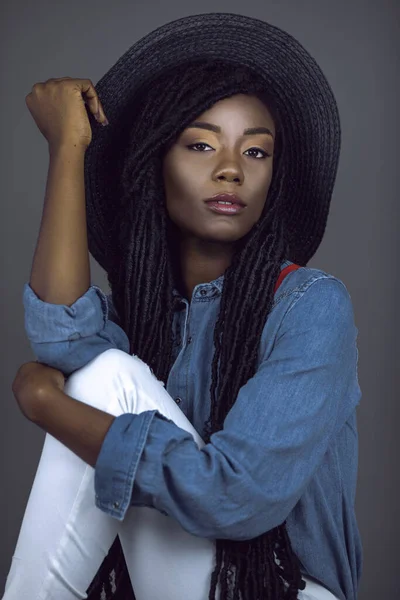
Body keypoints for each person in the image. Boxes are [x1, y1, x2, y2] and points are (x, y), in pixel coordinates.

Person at [4, 12, 362, 600]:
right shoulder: (145, 310)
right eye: (200, 144)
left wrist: (48, 406)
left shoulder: (312, 306)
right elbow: (64, 339)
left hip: (284, 588)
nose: (230, 169)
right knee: (102, 371)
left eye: (256, 152)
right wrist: (67, 147)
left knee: (102, 381)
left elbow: (236, 497)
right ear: (154, 162)